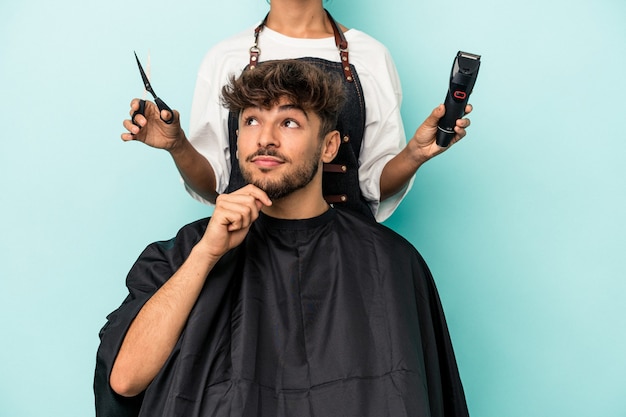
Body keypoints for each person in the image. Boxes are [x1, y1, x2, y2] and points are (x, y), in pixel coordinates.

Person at [97, 59, 469, 417]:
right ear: (238, 140)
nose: (266, 139)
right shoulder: (184, 253)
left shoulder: (390, 262)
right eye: (252, 120)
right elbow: (126, 381)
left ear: (329, 145)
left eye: (289, 122)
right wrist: (205, 255)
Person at [122, 0, 472, 221]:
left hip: (347, 257)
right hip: (245, 255)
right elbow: (215, 184)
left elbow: (372, 184)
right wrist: (178, 145)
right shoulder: (225, 57)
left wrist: (414, 154)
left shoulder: (372, 56)